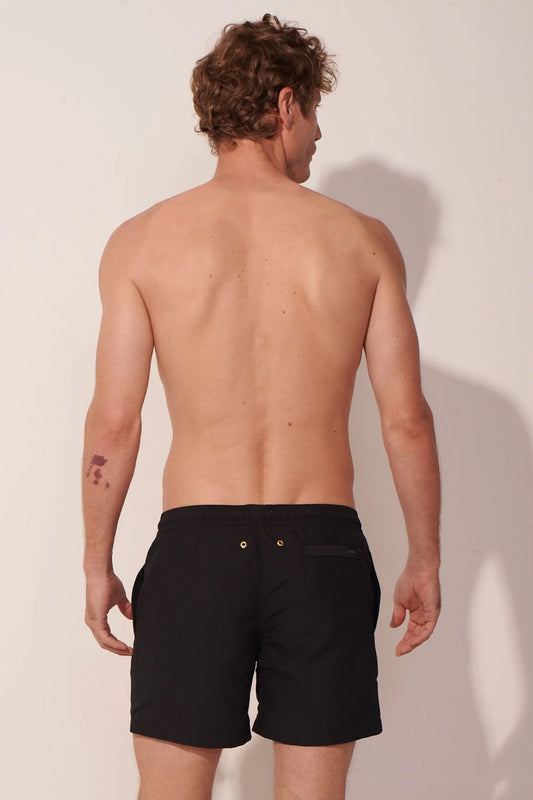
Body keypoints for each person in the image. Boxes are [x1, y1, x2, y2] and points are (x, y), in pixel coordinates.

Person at [81, 12, 441, 800]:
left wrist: (96, 561)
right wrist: (424, 558)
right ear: (284, 105)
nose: (317, 135)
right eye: (313, 113)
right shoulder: (362, 240)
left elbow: (115, 422)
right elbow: (405, 420)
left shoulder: (142, 241)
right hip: (322, 553)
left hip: (196, 552)